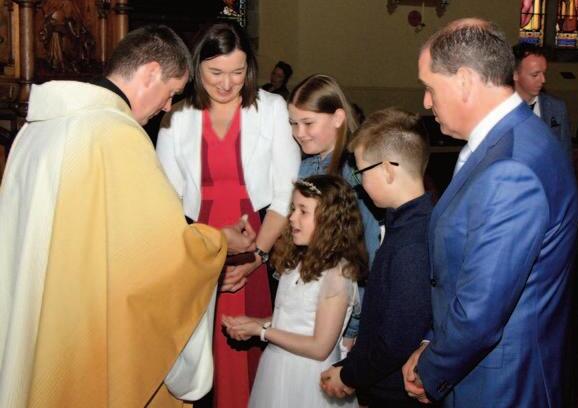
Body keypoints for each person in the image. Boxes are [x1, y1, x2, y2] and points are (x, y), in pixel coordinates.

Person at [0, 25, 257, 408]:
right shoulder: (115, 135)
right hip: (82, 329)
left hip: (36, 314)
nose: (167, 107)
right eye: (170, 93)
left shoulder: (38, 129)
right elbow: (160, 256)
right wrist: (219, 242)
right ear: (151, 73)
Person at [402, 19, 578, 407]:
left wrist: (433, 369)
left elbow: (480, 310)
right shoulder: (508, 140)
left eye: (430, 87)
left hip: (500, 383)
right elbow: (462, 269)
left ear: (464, 81)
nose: (427, 102)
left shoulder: (510, 168)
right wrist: (433, 338)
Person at [156, 21, 300, 408]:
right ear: (196, 67)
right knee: (197, 350)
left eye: (237, 72)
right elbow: (166, 200)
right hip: (197, 244)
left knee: (246, 351)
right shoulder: (177, 116)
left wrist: (257, 257)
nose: (226, 83)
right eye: (215, 72)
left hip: (257, 239)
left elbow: (286, 192)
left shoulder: (270, 108)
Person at [320, 108, 433, 408]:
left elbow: (397, 339)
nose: (359, 182)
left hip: (394, 392)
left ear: (387, 170)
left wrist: (349, 375)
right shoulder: (404, 224)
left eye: (361, 172)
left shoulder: (413, 243)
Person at [222, 175, 366, 408]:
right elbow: (293, 318)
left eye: (303, 211)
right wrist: (253, 323)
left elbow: (320, 347)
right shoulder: (297, 261)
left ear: (329, 219)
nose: (291, 217)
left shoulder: (338, 273)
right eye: (292, 208)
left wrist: (261, 332)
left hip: (309, 378)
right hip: (277, 367)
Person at [289, 74, 381, 353]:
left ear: (338, 118)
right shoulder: (306, 166)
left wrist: (353, 326)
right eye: (293, 123)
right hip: (308, 300)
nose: (299, 133)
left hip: (341, 310)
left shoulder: (354, 171)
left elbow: (366, 250)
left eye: (308, 123)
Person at [512, 42, 572, 155]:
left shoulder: (556, 107)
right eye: (535, 75)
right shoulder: (497, 108)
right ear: (515, 74)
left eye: (544, 73)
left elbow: (564, 153)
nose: (543, 80)